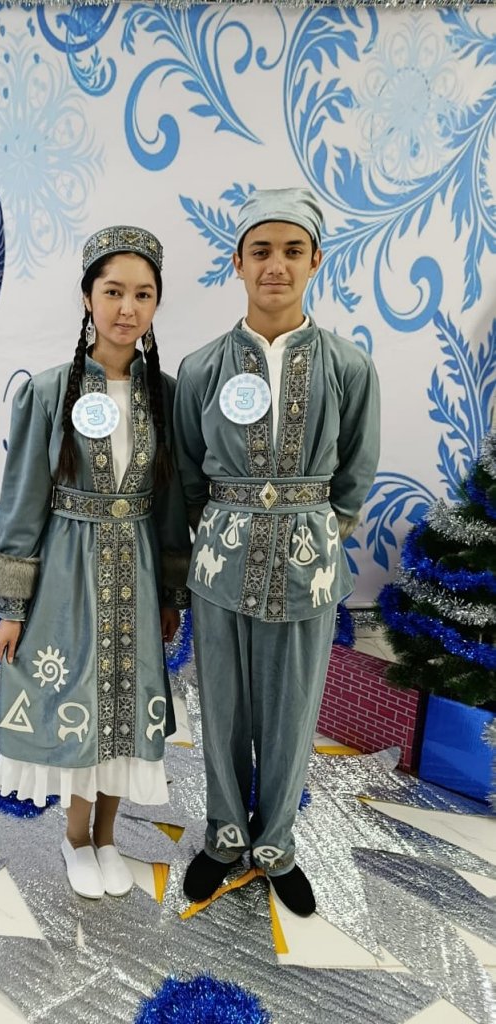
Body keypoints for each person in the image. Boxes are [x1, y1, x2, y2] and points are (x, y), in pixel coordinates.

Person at [173, 188, 380, 916]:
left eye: (292, 250)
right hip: (220, 566)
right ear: (237, 262)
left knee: (293, 712)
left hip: (307, 567)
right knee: (222, 708)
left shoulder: (348, 366)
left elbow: (354, 472)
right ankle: (224, 836)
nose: (275, 265)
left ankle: (276, 846)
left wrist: (316, 534)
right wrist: (220, 532)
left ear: (315, 260)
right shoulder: (201, 367)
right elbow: (187, 470)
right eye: (260, 250)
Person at [0, 225, 191, 900]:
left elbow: (169, 502)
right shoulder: (49, 391)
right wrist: (12, 604)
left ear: (156, 303)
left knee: (125, 705)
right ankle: (75, 838)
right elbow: (22, 499)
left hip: (136, 572)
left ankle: (108, 838)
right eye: (112, 292)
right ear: (87, 298)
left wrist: (170, 591)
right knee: (78, 701)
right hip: (68, 576)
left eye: (142, 294)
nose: (126, 308)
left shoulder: (165, 395)